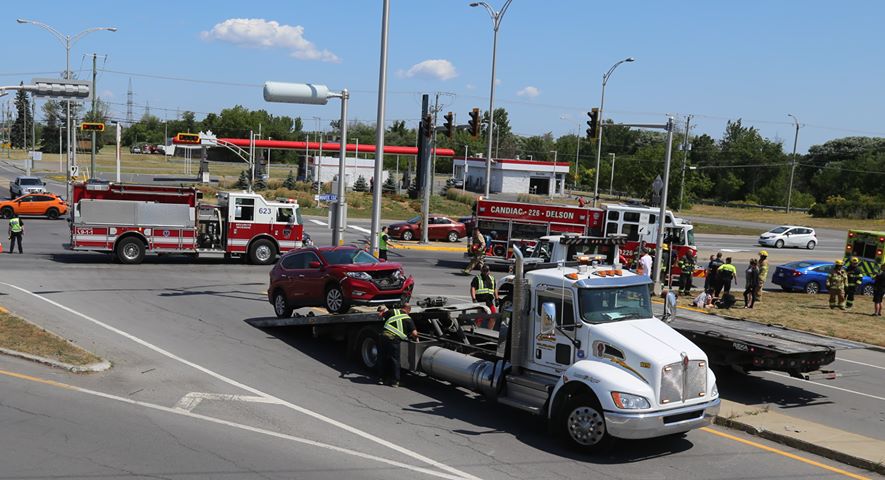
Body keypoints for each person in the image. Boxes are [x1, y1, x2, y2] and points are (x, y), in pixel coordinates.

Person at [378, 304, 418, 386]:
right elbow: (414, 333)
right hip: (393, 340)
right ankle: (395, 381)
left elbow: (380, 315)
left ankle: (382, 379)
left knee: (383, 357)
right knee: (395, 360)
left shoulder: (393, 311)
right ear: (408, 310)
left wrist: (382, 310)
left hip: (384, 337)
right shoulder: (408, 319)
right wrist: (416, 338)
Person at [471, 264, 499, 328]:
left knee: (493, 317)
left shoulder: (492, 278)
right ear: (481, 271)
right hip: (481, 302)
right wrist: (474, 299)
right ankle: (475, 331)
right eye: (484, 270)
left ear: (489, 271)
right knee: (479, 318)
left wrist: (497, 299)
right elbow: (473, 288)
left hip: (489, 301)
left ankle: (489, 331)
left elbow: (494, 289)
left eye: (487, 270)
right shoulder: (477, 278)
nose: (485, 272)